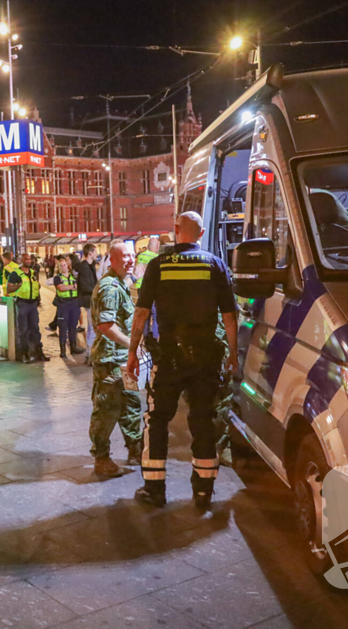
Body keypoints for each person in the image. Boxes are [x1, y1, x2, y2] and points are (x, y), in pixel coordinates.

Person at [127, 212, 238, 509]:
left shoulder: (157, 265)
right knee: (202, 420)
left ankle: (155, 490)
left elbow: (141, 314)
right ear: (201, 233)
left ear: (175, 230)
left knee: (157, 419)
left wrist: (132, 354)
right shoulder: (214, 264)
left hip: (169, 359)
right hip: (205, 359)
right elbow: (229, 316)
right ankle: (203, 492)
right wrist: (233, 353)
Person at [88, 243, 142, 478]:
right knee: (107, 410)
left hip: (124, 361)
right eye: (125, 256)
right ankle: (101, 459)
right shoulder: (109, 287)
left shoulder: (120, 282)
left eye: (133, 255)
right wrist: (133, 344)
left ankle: (135, 450)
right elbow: (105, 326)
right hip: (110, 362)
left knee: (131, 404)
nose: (131, 260)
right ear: (112, 259)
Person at [4, 252, 47, 363]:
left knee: (35, 329)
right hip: (22, 304)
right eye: (26, 259)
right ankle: (24, 354)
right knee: (22, 330)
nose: (28, 261)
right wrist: (18, 285)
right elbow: (9, 289)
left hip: (32, 304)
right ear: (21, 261)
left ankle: (38, 352)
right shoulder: (15, 274)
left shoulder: (32, 273)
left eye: (29, 259)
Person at [53, 256, 85, 358]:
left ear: (68, 266)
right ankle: (62, 351)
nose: (63, 267)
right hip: (63, 305)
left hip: (74, 304)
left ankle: (73, 348)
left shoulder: (74, 277)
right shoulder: (57, 278)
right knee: (62, 328)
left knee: (73, 327)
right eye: (61, 265)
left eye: (64, 265)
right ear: (58, 267)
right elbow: (61, 288)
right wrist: (73, 287)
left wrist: (69, 287)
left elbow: (80, 287)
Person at [77, 244, 99, 365]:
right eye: (95, 252)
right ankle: (90, 354)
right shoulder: (85, 267)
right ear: (90, 253)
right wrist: (97, 290)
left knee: (92, 328)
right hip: (89, 300)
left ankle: (89, 354)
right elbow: (85, 285)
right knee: (92, 328)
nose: (97, 255)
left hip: (90, 300)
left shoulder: (89, 266)